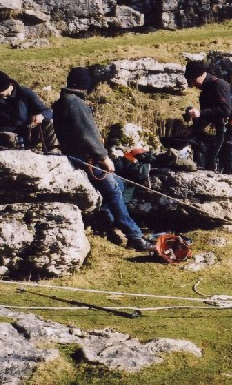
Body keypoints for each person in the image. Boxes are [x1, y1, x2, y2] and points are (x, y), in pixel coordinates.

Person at [51, 67, 155, 252]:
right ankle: (135, 236)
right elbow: (87, 135)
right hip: (86, 159)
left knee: (119, 185)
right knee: (114, 188)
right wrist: (104, 157)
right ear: (85, 85)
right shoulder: (75, 104)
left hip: (75, 156)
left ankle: (109, 223)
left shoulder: (61, 102)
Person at [0, 70, 60, 153]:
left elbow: (48, 112)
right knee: (7, 136)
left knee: (49, 124)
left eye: (0, 94)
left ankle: (51, 154)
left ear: (9, 86)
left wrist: (41, 116)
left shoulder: (25, 93)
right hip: (5, 137)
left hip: (28, 133)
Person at [183, 61, 232, 175]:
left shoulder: (219, 85)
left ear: (201, 74)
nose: (192, 84)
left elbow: (225, 110)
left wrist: (199, 113)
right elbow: (207, 117)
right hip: (221, 131)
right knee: (213, 166)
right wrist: (192, 129)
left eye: (193, 79)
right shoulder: (204, 93)